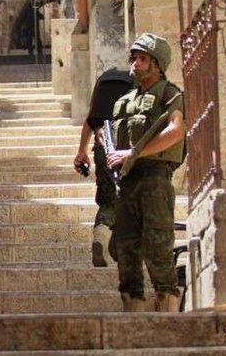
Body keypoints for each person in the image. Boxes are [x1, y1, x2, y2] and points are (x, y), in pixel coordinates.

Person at [107, 33, 185, 312]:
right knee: (126, 251)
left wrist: (134, 153)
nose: (135, 64)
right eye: (134, 58)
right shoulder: (125, 100)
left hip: (155, 178)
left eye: (143, 59)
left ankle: (167, 312)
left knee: (157, 247)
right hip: (126, 182)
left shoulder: (169, 93)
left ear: (157, 65)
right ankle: (133, 314)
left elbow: (176, 131)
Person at [73, 68, 134, 267]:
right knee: (130, 200)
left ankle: (101, 235)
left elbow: (91, 118)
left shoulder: (104, 80)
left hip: (104, 145)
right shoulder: (139, 82)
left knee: (108, 199)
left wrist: (81, 151)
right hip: (130, 148)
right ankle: (118, 248)